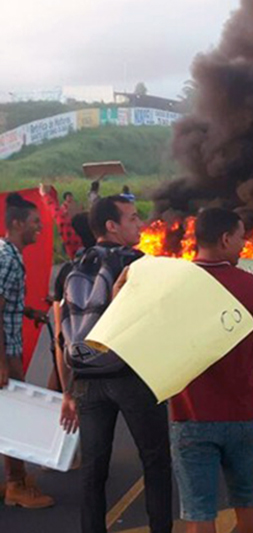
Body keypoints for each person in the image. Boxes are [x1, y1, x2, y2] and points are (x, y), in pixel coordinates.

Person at [54, 195, 173, 533]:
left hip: (86, 378)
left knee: (93, 469)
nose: (140, 224)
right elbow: (153, 322)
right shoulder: (136, 264)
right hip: (131, 376)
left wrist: (67, 391)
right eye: (133, 218)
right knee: (155, 462)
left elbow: (63, 337)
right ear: (112, 226)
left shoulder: (71, 267)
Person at [168, 208, 253, 533]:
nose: (245, 244)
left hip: (190, 415)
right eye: (241, 236)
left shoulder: (175, 285)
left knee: (199, 510)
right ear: (225, 239)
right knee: (249, 499)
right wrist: (245, 368)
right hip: (241, 413)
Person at [0, 193, 54, 508]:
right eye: (36, 223)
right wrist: (4, 363)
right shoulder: (7, 258)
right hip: (7, 352)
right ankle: (16, 486)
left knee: (9, 414)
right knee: (14, 416)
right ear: (18, 223)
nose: (40, 229)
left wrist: (28, 311)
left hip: (8, 347)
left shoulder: (7, 253)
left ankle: (15, 480)